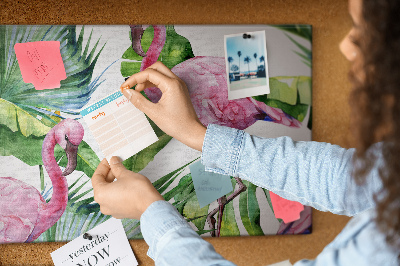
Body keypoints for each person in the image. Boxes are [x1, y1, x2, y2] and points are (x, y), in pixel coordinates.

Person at [91, 0, 400, 264]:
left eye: (366, 29)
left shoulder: (385, 246)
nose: (345, 46)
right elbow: (348, 178)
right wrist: (197, 134)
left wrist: (149, 209)